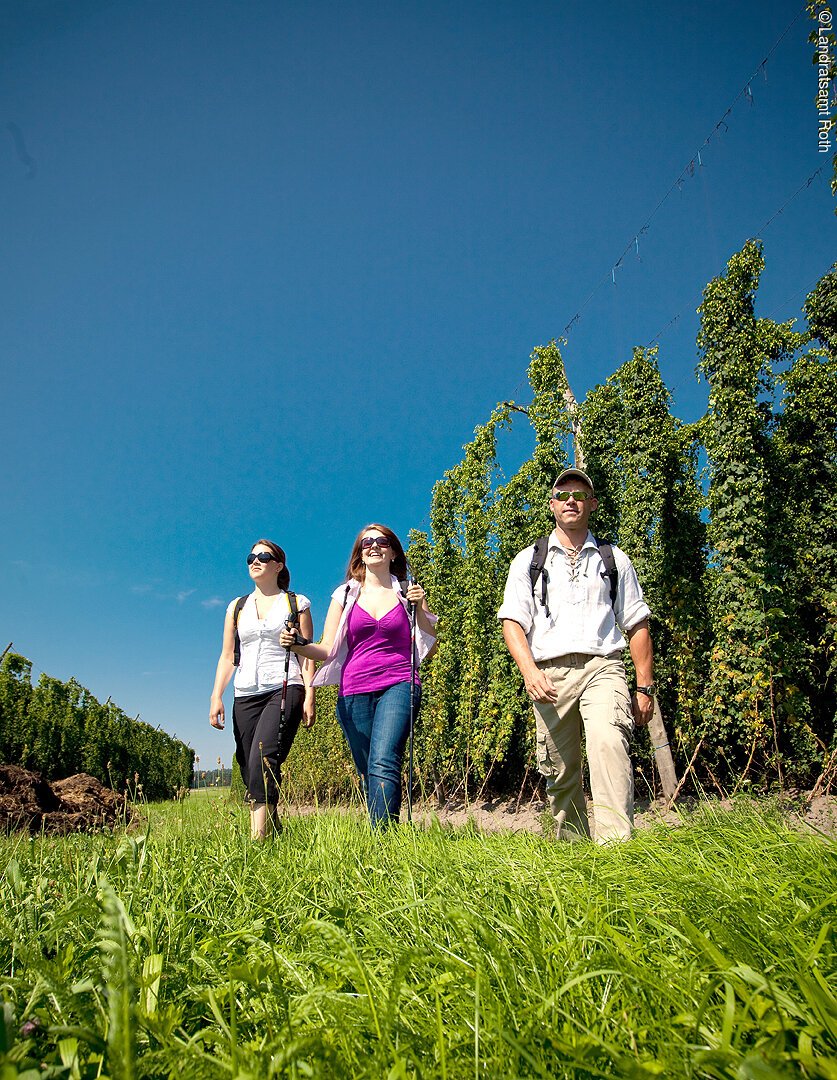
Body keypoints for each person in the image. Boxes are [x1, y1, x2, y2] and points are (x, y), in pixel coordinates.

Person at [498, 469, 654, 842]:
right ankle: (575, 851)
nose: (572, 500)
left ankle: (618, 852)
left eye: (580, 495)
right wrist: (529, 671)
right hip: (549, 676)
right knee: (560, 769)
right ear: (552, 505)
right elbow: (512, 622)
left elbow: (637, 623)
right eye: (563, 494)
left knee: (608, 744)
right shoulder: (528, 560)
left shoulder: (614, 559)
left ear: (592, 504)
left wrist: (645, 686)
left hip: (604, 666)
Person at [281, 523, 437, 828]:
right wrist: (300, 643)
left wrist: (419, 609)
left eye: (381, 541)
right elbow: (326, 649)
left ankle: (384, 841)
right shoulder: (346, 594)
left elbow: (429, 647)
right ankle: (382, 827)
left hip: (400, 682)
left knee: (384, 758)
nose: (374, 545)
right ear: (360, 554)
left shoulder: (408, 591)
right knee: (368, 768)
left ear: (393, 552)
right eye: (367, 542)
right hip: (353, 690)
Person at [210, 539, 316, 839]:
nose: (255, 561)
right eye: (251, 557)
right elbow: (228, 655)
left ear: (278, 565)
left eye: (264, 556)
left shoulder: (297, 604)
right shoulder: (237, 607)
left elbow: (307, 655)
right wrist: (216, 695)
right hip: (244, 692)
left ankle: (259, 840)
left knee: (263, 757)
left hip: (284, 687)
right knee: (247, 764)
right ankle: (274, 822)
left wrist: (310, 695)